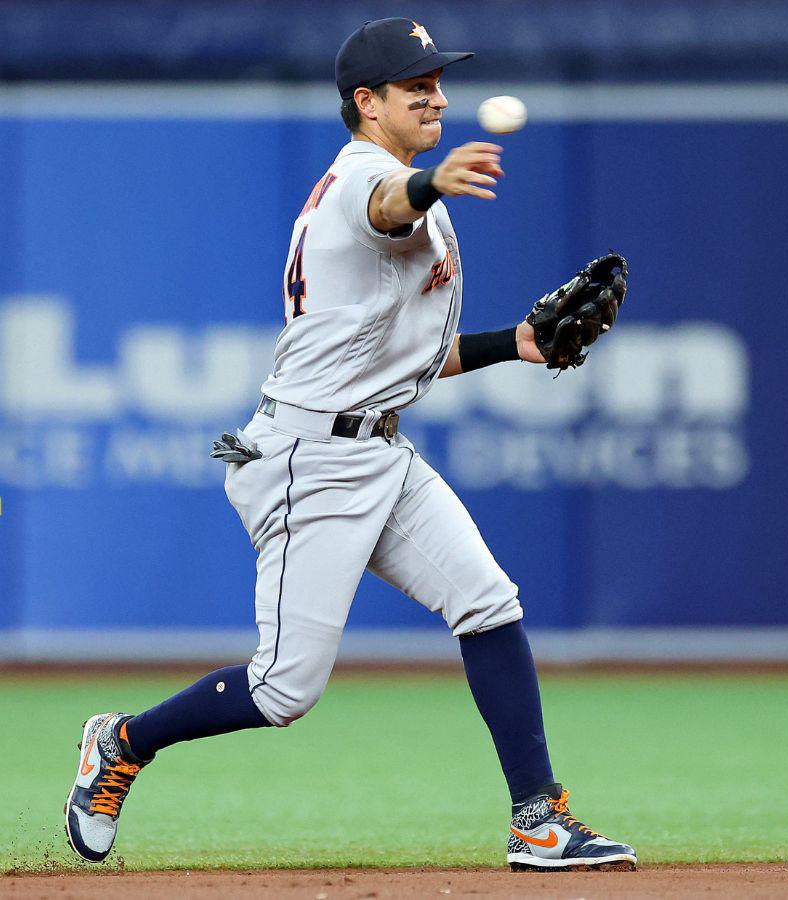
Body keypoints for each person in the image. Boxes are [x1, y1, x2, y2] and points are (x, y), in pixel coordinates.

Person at [65, 16, 636, 873]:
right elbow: (385, 208)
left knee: (489, 602)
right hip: (307, 461)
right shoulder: (365, 182)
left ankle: (539, 821)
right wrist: (433, 181)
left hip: (374, 447)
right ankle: (122, 743)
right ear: (368, 104)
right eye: (417, 87)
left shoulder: (394, 181)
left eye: (438, 81)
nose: (437, 94)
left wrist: (514, 343)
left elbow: (398, 360)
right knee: (284, 688)